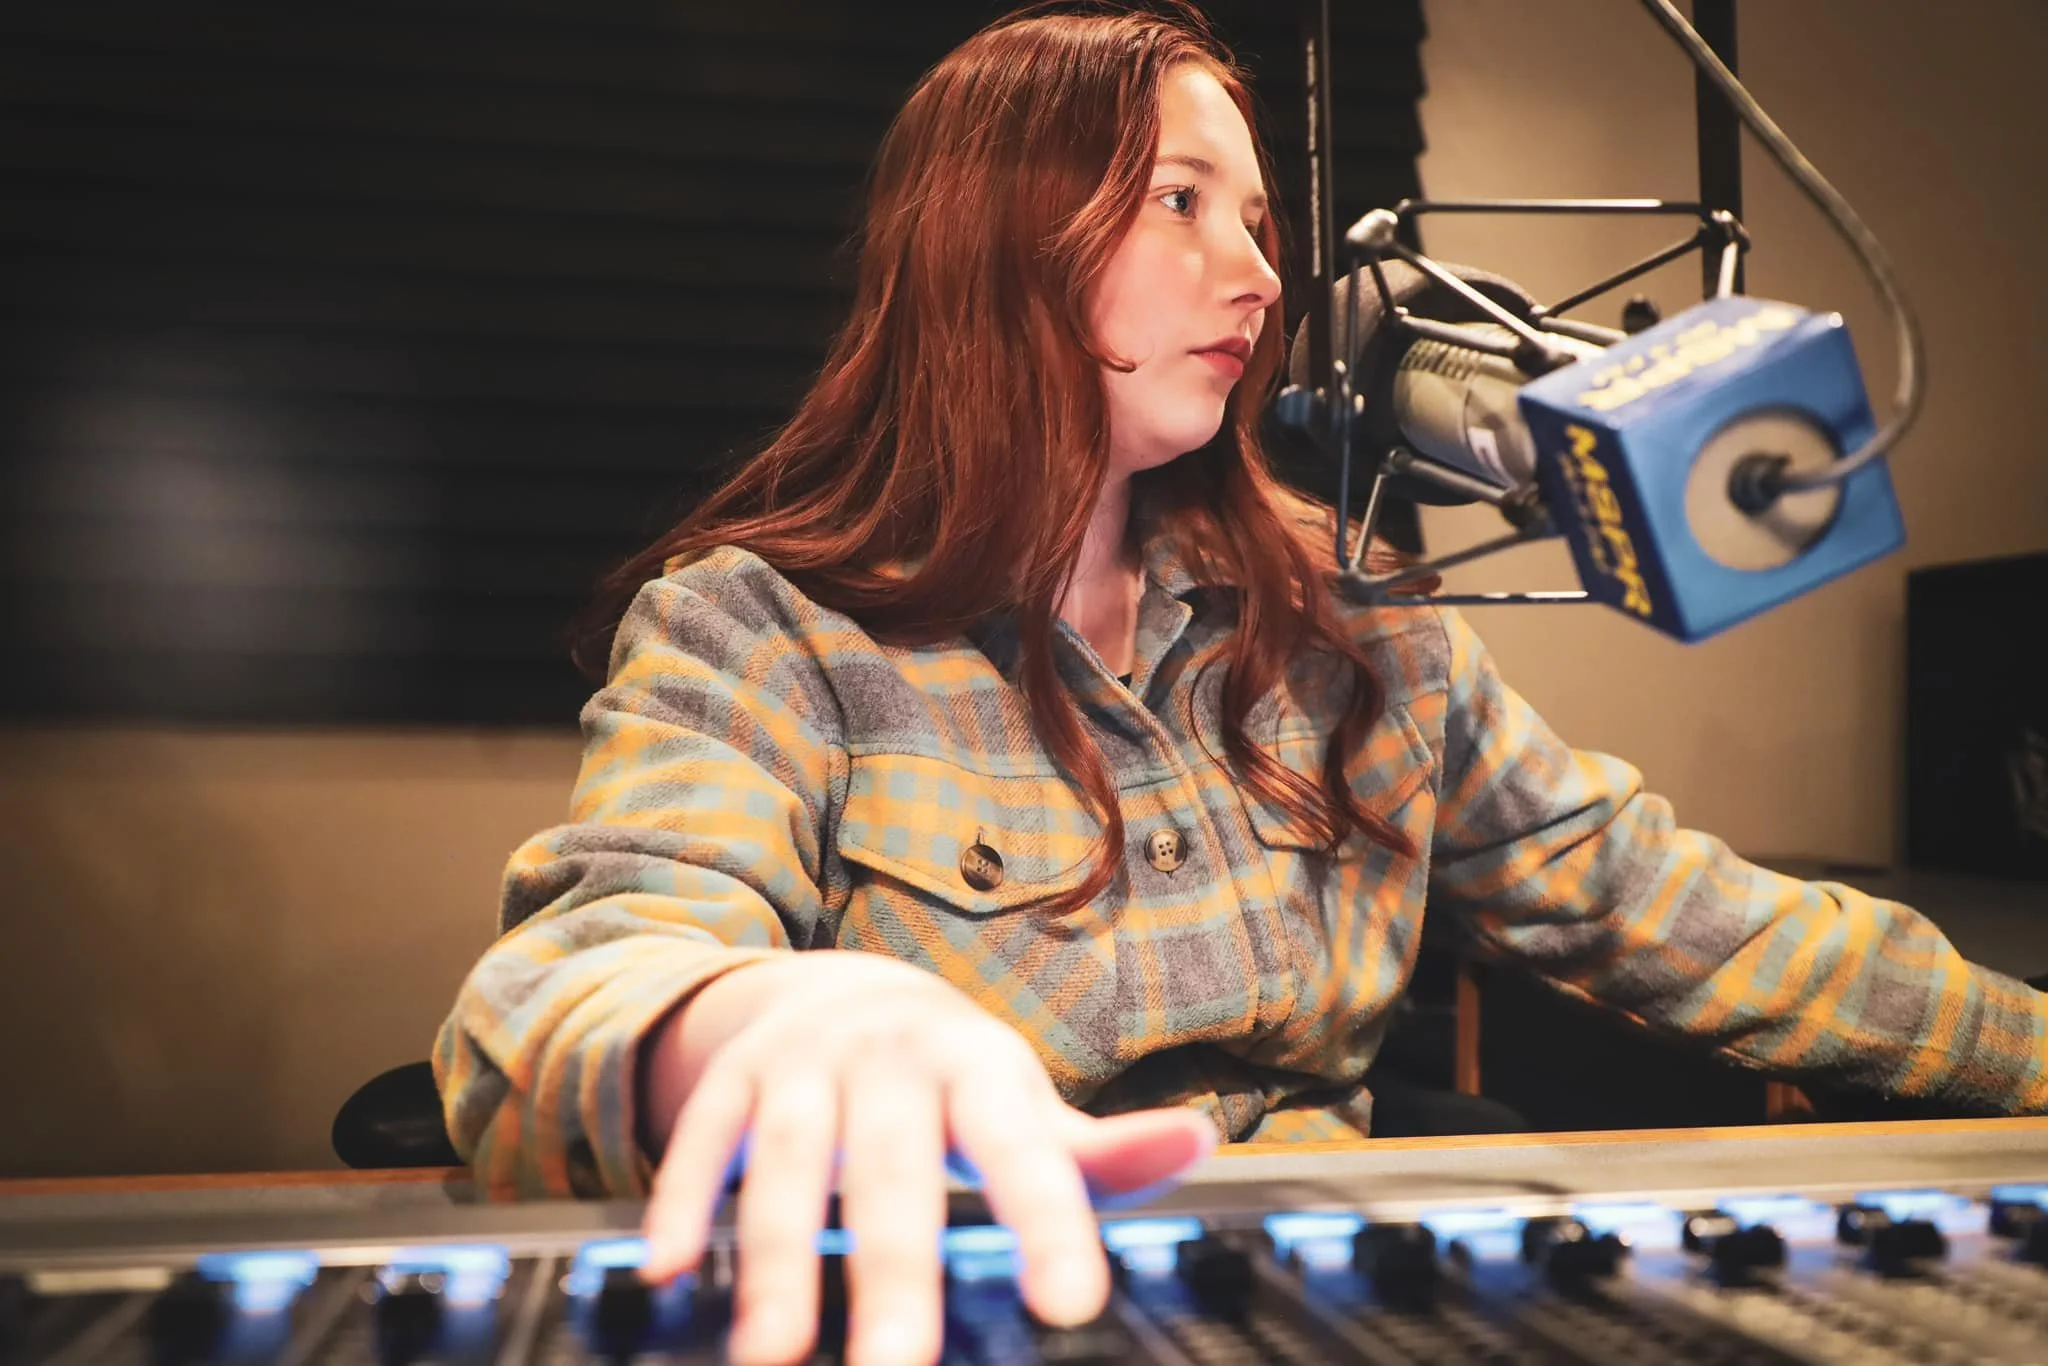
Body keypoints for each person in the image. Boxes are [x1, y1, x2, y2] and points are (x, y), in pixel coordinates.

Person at [433, 5, 2048, 1363]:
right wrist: (735, 1017)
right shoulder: (759, 632)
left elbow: (1676, 908)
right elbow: (583, 966)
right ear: (997, 240)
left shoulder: (1356, 622)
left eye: (1259, 222)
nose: (1263, 276)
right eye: (1180, 203)